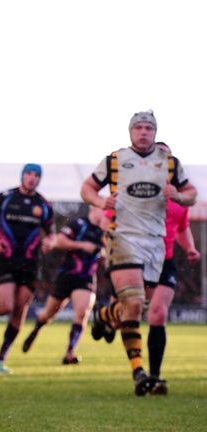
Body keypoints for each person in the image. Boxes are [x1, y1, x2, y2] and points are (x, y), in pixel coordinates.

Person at [80, 112, 196, 396]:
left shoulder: (169, 164)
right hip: (122, 237)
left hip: (155, 244)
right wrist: (99, 200)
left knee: (136, 307)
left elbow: (192, 193)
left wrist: (179, 195)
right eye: (138, 128)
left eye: (148, 128)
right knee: (134, 302)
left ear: (155, 132)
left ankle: (106, 315)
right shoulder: (115, 160)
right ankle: (139, 371)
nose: (143, 132)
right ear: (130, 131)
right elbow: (87, 188)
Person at [0, 164, 55, 373]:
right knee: (5, 306)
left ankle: (0, 359)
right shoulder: (4, 198)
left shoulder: (44, 205)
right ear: (23, 176)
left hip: (30, 264)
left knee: (20, 310)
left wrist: (50, 242)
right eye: (29, 174)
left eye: (36, 175)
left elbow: (51, 233)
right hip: (6, 259)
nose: (32, 178)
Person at [21, 205, 105, 364]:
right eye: (103, 209)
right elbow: (59, 241)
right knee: (48, 314)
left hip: (85, 278)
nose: (107, 212)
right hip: (67, 276)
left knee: (82, 313)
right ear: (94, 209)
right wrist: (82, 245)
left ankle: (70, 353)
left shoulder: (105, 231)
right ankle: (36, 329)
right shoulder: (79, 224)